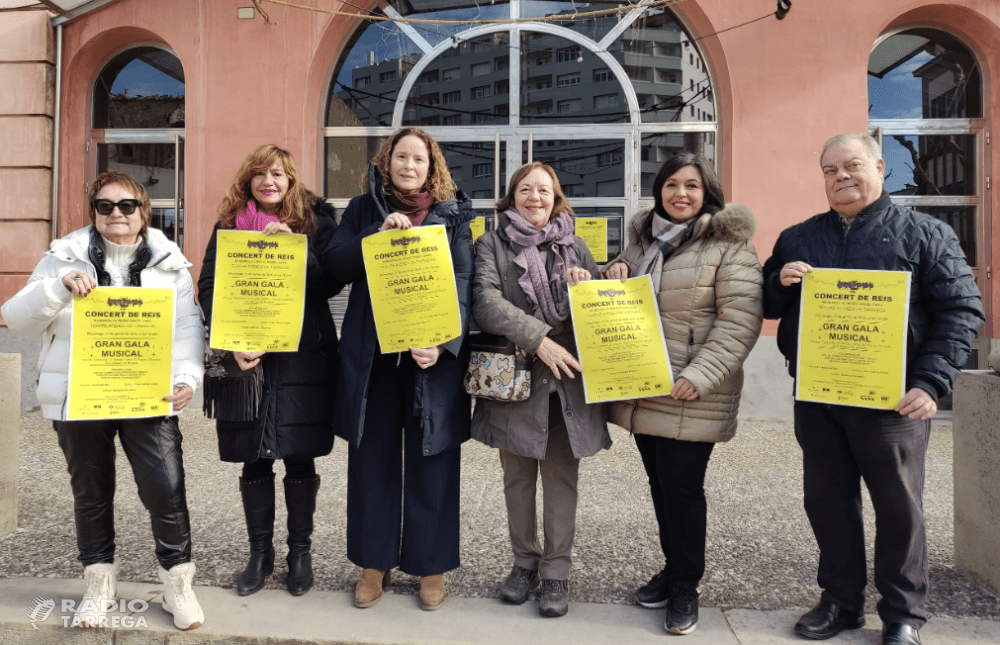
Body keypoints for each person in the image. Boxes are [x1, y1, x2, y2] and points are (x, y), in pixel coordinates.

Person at [762, 133, 984, 645]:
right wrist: (779, 283)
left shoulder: (925, 232)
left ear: (879, 166)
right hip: (818, 396)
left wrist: (932, 382)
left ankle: (903, 613)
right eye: (830, 170)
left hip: (893, 400)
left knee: (898, 507)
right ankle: (840, 602)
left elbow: (961, 310)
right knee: (827, 501)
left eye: (852, 165)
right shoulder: (798, 237)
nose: (841, 176)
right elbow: (767, 304)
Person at [1, 170, 205, 630]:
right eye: (105, 206)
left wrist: (188, 377)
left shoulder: (170, 261)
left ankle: (177, 581)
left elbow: (187, 327)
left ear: (144, 211)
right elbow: (14, 319)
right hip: (82, 394)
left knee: (165, 488)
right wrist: (57, 288)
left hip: (145, 394)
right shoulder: (62, 257)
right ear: (93, 212)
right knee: (91, 492)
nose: (117, 214)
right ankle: (99, 580)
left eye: (127, 205)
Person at [602, 153, 763, 635]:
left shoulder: (729, 246)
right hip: (644, 387)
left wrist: (702, 374)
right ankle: (672, 571)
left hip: (691, 391)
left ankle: (686, 587)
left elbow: (740, 320)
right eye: (671, 185)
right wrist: (612, 270)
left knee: (683, 490)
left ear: (706, 191)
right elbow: (622, 296)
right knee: (661, 487)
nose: (681, 194)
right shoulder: (641, 244)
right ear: (659, 192)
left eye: (691, 186)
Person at [322, 128, 474, 611]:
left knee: (433, 459)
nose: (410, 166)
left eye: (420, 159)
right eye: (402, 157)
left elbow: (467, 284)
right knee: (374, 460)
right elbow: (332, 267)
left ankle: (430, 565)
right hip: (376, 360)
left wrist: (446, 343)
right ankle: (373, 562)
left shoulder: (453, 214)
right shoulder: (363, 209)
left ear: (433, 168)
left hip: (430, 359)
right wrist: (373, 236)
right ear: (386, 162)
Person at [197, 145, 341, 597]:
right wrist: (233, 341)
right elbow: (208, 286)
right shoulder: (229, 228)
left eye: (276, 173)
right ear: (247, 180)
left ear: (291, 179)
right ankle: (259, 555)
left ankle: (300, 553)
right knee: (253, 456)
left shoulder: (317, 222)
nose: (268, 181)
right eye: (258, 173)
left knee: (300, 455)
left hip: (303, 357)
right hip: (247, 357)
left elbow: (330, 284)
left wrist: (295, 251)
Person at [471, 162, 611, 618]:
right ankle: (523, 562)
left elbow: (604, 306)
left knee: (561, 479)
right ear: (511, 197)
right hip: (515, 379)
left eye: (544, 190)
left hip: (566, 384)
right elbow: (486, 303)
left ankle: (556, 574)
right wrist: (539, 338)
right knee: (516, 479)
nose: (535, 197)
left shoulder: (577, 246)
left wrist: (588, 287)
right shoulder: (491, 243)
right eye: (526, 189)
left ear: (557, 198)